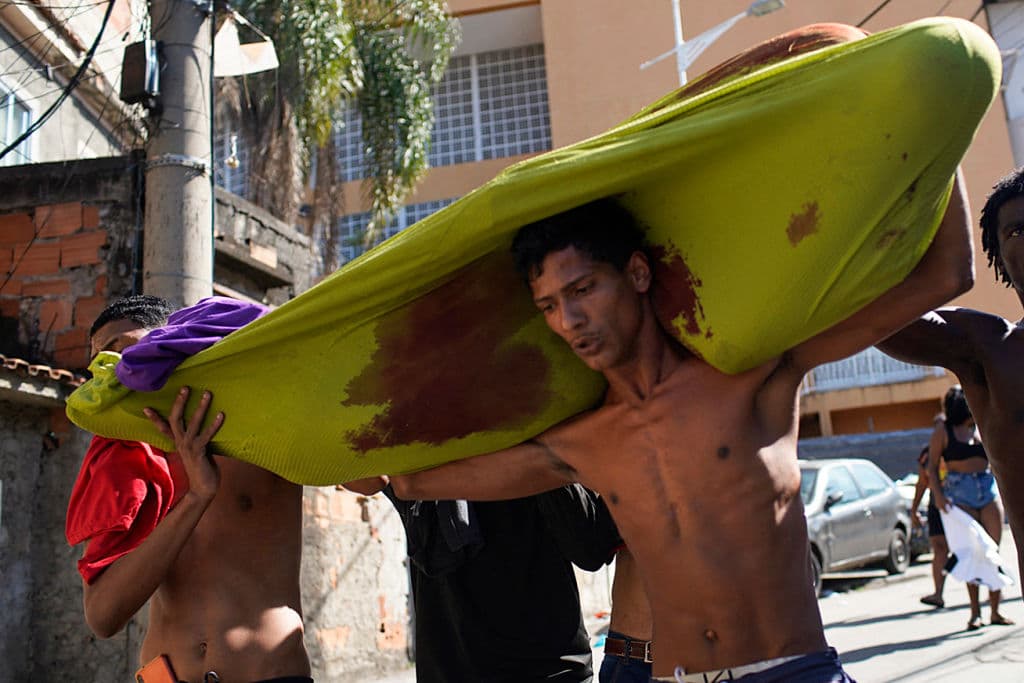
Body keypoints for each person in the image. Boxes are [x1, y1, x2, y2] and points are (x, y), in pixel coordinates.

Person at [385, 172, 973, 681]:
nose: (569, 320)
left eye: (583, 289)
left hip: (791, 671)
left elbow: (945, 274)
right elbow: (408, 481)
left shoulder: (752, 380)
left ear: (638, 273)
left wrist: (937, 108)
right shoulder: (583, 444)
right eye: (548, 306)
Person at [65, 295, 311, 682]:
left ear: (175, 340)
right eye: (99, 361)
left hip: (267, 674)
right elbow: (102, 617)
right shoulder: (124, 462)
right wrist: (197, 497)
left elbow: (368, 480)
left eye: (124, 348)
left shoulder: (260, 423)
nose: (115, 368)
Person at [878, 166, 1024, 584]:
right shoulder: (989, 348)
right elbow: (880, 310)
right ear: (998, 255)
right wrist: (938, 155)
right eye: (1017, 231)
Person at [344, 476, 621, 682]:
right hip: (450, 667)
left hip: (548, 667)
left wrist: (538, 446)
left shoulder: (538, 431)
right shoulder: (418, 449)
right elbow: (362, 476)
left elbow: (590, 549)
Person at [925, 386, 1012, 630]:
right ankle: (975, 613)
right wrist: (938, 496)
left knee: (992, 551)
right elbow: (932, 466)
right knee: (970, 553)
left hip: (986, 488)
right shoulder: (943, 431)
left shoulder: (981, 425)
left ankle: (995, 610)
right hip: (959, 492)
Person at [910, 439, 949, 609]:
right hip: (936, 506)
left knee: (970, 549)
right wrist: (914, 509)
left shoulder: (961, 446)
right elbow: (922, 483)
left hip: (962, 504)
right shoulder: (927, 455)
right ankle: (938, 593)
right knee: (940, 549)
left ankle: (992, 593)